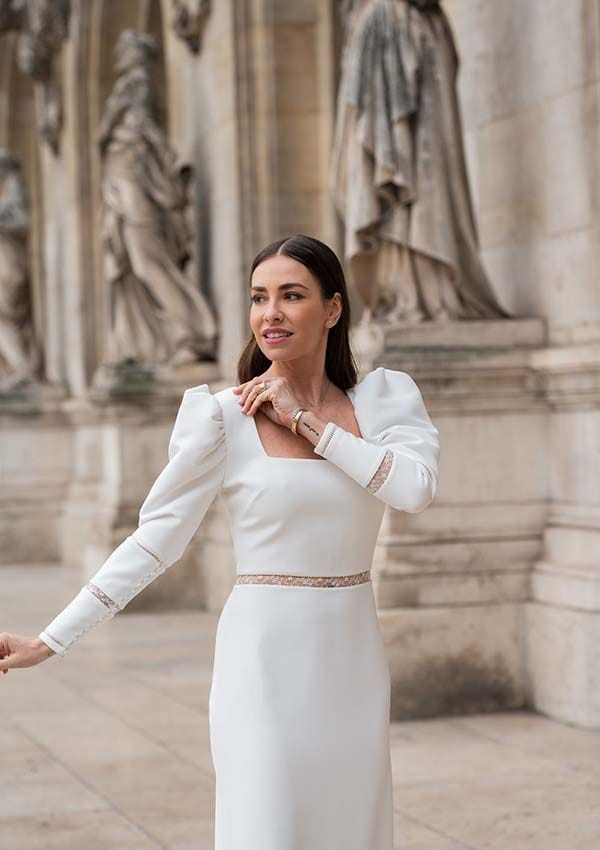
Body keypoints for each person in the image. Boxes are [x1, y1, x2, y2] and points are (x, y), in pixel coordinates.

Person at [0, 234, 440, 850]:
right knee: (267, 828)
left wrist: (306, 424)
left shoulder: (385, 398)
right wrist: (51, 639)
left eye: (292, 296)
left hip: (351, 659)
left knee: (352, 831)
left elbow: (413, 490)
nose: (272, 314)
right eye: (259, 298)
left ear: (333, 309)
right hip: (259, 662)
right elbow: (154, 541)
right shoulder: (221, 416)